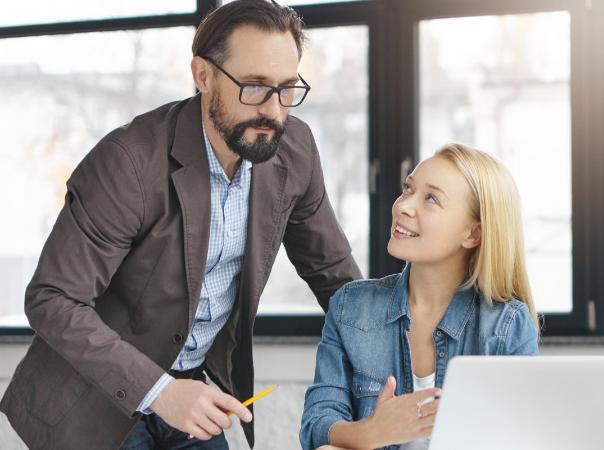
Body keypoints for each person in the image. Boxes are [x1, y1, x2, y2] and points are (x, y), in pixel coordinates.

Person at [0, 1, 362, 449]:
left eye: (287, 88)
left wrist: (395, 356)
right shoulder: (128, 162)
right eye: (254, 87)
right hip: (97, 399)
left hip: (192, 387)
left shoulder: (294, 150)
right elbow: (52, 299)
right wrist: (161, 392)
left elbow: (333, 273)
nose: (274, 110)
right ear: (203, 75)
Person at [300, 143, 541, 450]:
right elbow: (317, 423)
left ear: (472, 233)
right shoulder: (352, 307)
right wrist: (373, 432)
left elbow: (522, 438)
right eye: (408, 189)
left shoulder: (506, 325)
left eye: (431, 199)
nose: (402, 206)